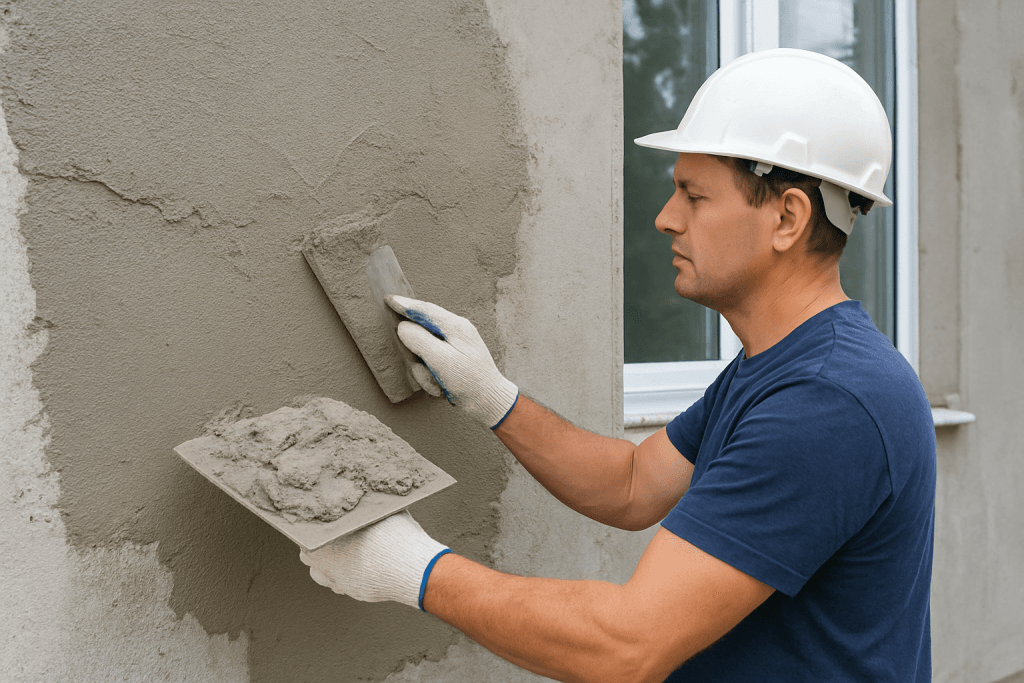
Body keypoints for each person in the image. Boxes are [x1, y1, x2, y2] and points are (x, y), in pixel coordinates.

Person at [300, 48, 936, 682]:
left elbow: (628, 646)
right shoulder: (779, 366)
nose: (665, 218)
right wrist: (493, 399)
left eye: (694, 195)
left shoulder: (826, 400)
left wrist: (415, 570)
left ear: (788, 217)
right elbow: (634, 484)